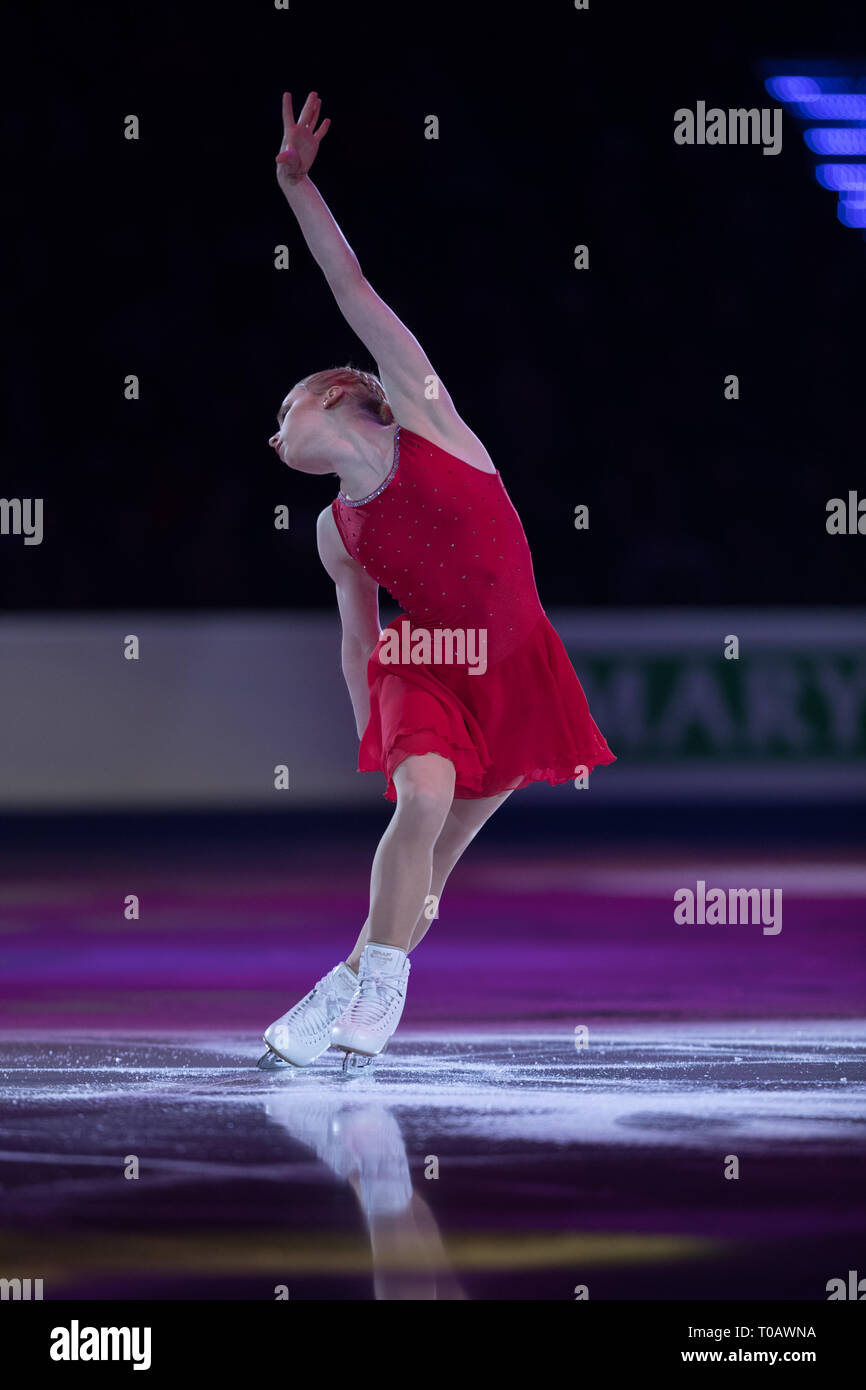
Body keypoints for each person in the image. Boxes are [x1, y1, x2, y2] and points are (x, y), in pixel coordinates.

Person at [260, 92, 614, 1071]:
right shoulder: (335, 532)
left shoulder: (422, 412)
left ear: (332, 397)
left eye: (280, 412)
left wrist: (296, 184)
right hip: (422, 665)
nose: (271, 432)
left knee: (432, 869)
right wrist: (370, 732)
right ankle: (378, 994)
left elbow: (349, 282)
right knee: (417, 805)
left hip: (513, 666)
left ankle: (339, 990)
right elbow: (353, 639)